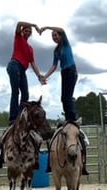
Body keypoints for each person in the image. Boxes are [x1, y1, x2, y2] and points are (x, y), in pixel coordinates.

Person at [0, 21, 46, 169]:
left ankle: (23, 115)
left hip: (22, 69)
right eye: (26, 30)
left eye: (30, 31)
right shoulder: (18, 38)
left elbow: (33, 63)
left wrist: (39, 76)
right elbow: (18, 23)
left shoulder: (30, 48)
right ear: (22, 31)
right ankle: (13, 118)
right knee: (15, 91)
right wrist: (34, 24)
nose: (28, 32)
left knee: (26, 94)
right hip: (14, 64)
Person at [39, 26, 89, 175]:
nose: (54, 37)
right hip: (64, 72)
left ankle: (72, 119)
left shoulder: (66, 44)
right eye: (52, 36)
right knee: (63, 98)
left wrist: (47, 28)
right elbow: (54, 66)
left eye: (56, 35)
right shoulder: (56, 51)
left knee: (67, 97)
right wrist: (45, 76)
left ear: (61, 36)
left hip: (71, 70)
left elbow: (61, 28)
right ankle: (69, 118)